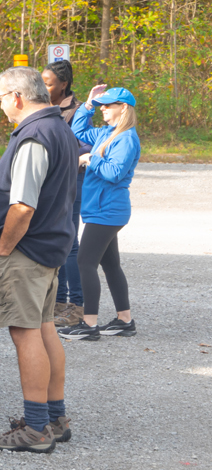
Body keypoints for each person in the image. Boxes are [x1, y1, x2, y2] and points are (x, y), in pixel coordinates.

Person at [0, 67, 78, 453]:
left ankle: (36, 428)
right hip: (49, 248)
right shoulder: (59, 129)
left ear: (17, 97)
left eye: (1, 96)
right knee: (44, 328)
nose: (0, 103)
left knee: (26, 333)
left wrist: (4, 248)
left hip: (27, 251)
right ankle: (54, 418)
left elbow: (22, 205)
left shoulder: (35, 135)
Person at [59, 85, 140, 341]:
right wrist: (88, 106)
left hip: (108, 210)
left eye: (108, 104)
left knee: (85, 262)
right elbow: (78, 131)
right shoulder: (108, 133)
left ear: (123, 107)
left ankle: (89, 325)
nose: (103, 108)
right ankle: (125, 320)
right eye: (101, 104)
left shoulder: (125, 138)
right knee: (111, 264)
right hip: (101, 209)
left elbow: (114, 173)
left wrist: (89, 159)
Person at [42, 60, 88, 326]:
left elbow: (83, 147)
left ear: (64, 84)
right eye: (42, 82)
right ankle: (58, 303)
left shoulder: (78, 111)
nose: (43, 87)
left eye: (48, 83)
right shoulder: (40, 107)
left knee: (70, 244)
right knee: (55, 242)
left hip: (71, 182)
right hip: (48, 184)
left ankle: (78, 306)